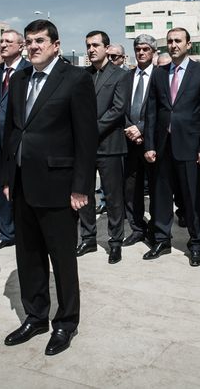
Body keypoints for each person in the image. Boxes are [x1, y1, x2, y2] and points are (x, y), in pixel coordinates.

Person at [1, 19, 97, 356]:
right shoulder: (19, 79)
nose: (33, 46)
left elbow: (87, 138)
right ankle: (35, 316)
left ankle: (66, 322)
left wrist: (81, 187)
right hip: (23, 183)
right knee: (28, 257)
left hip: (59, 186)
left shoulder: (76, 79)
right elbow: (13, 130)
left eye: (40, 40)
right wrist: (7, 177)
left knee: (62, 259)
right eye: (29, 41)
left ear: (56, 45)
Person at [144, 27, 200, 265]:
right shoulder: (159, 73)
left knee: (192, 197)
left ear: (188, 44)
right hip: (162, 146)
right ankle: (162, 240)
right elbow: (151, 111)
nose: (173, 45)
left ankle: (195, 243)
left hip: (190, 146)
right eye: (170, 41)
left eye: (178, 41)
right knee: (161, 196)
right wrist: (149, 144)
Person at [77, 30, 127, 263]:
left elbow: (117, 110)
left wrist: (89, 131)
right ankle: (88, 238)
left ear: (107, 48)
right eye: (88, 45)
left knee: (113, 196)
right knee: (84, 194)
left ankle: (115, 242)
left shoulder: (120, 75)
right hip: (84, 149)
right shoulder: (83, 75)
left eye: (96, 45)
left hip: (110, 145)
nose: (91, 49)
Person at [0, 29, 30, 251]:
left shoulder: (29, 71)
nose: (2, 45)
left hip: (18, 143)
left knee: (20, 189)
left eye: (8, 41)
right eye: (1, 41)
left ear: (21, 46)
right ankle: (6, 232)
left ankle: (25, 231)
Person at [122, 34, 156, 246]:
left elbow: (163, 110)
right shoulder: (126, 77)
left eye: (145, 49)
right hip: (128, 141)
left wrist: (141, 128)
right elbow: (120, 106)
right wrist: (129, 128)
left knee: (155, 189)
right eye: (138, 49)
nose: (141, 53)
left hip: (151, 141)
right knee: (130, 187)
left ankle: (154, 229)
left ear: (153, 52)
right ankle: (137, 227)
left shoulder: (161, 76)